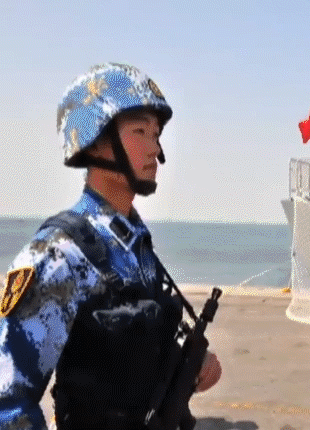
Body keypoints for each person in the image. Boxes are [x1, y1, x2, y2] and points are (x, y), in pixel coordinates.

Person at [0, 63, 221, 429]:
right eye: (140, 132)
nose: (155, 148)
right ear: (96, 141)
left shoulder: (135, 243)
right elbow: (9, 403)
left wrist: (195, 363)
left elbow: (137, 347)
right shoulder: (59, 254)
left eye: (156, 134)